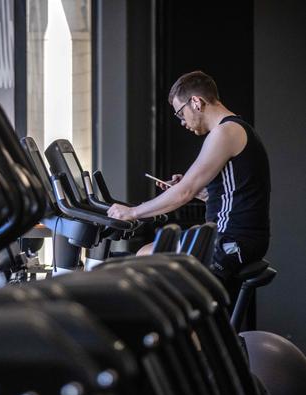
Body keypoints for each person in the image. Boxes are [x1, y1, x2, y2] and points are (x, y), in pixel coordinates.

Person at [107, 70, 271, 285]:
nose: (182, 122)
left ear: (196, 102)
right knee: (146, 254)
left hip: (231, 241)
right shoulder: (237, 128)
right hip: (240, 238)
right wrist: (202, 193)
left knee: (145, 257)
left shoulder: (225, 132)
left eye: (180, 113)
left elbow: (185, 192)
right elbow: (232, 194)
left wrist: (133, 212)